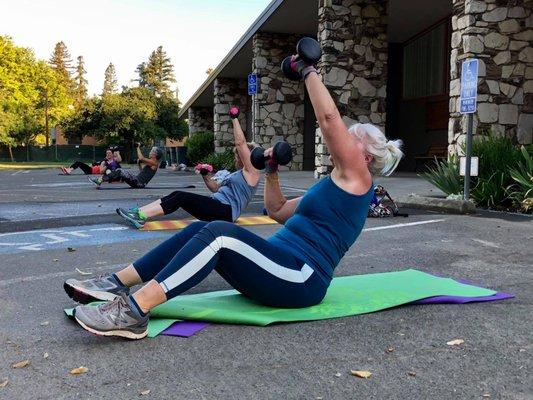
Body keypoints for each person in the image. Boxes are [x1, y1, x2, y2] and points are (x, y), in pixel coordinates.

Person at [66, 43, 403, 339]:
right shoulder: (333, 186)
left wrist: (307, 69)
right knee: (202, 228)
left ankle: (134, 311)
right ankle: (116, 282)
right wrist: (271, 171)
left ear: (366, 156)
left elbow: (329, 119)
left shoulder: (359, 179)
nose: (344, 137)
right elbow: (277, 211)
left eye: (352, 136)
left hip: (301, 278)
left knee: (220, 234)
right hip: (277, 265)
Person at [115, 109, 260, 228]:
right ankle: (139, 212)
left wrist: (234, 118)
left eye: (238, 156)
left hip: (225, 212)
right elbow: (215, 188)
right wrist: (205, 175)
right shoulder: (236, 174)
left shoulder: (252, 173)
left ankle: (141, 217)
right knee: (176, 194)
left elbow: (240, 143)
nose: (235, 158)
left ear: (247, 158)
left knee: (180, 197)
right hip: (217, 205)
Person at [88, 145, 162, 189]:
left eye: (151, 151)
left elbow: (141, 158)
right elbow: (142, 171)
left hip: (138, 183)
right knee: (118, 172)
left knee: (120, 171)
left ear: (154, 154)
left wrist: (137, 147)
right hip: (137, 181)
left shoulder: (154, 163)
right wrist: (139, 164)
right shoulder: (152, 163)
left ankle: (99, 180)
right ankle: (100, 180)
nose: (150, 152)